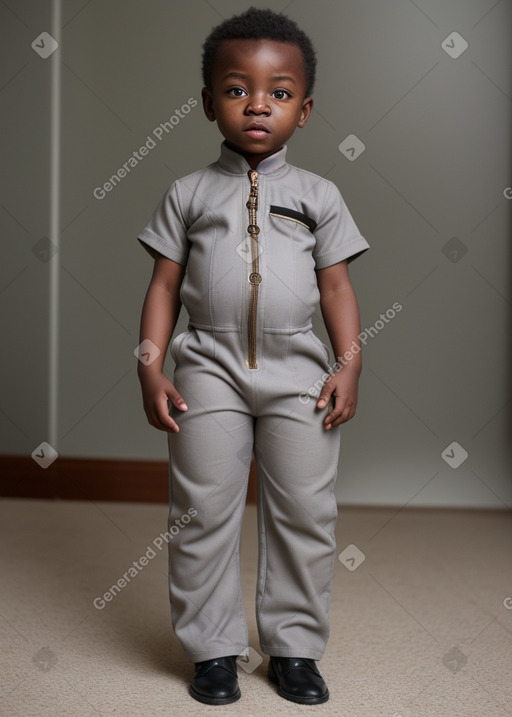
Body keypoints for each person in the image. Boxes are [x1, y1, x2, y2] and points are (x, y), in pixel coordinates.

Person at [136, 6, 369, 707]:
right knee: (202, 509)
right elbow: (164, 286)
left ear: (304, 109)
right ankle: (213, 648)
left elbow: (337, 287)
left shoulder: (319, 195)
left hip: (300, 373)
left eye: (280, 90)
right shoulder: (189, 193)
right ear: (210, 103)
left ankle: (294, 647)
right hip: (206, 369)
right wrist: (150, 365)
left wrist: (349, 362)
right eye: (237, 89)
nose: (258, 103)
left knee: (304, 510)